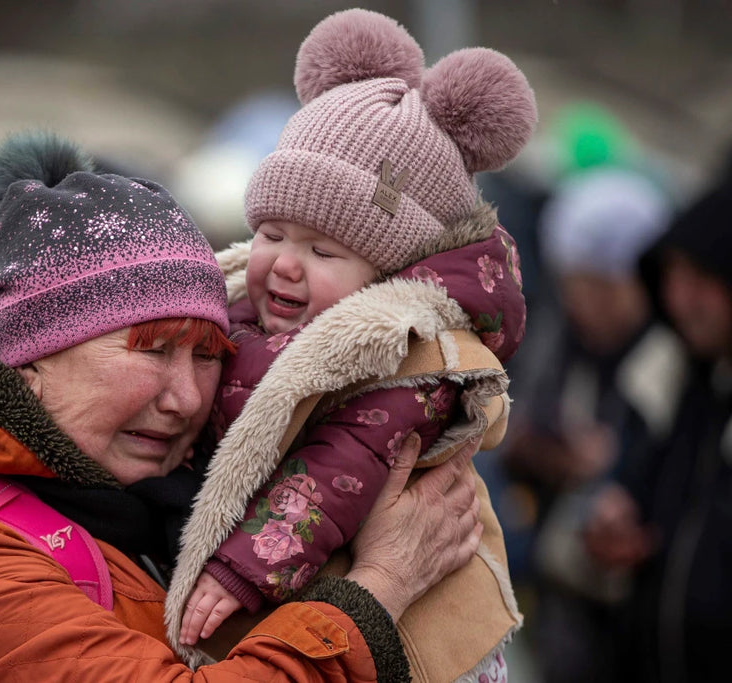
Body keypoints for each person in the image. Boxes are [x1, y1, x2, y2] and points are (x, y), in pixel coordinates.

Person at [0, 129, 484, 681]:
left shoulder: (153, 512)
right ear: (30, 362)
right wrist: (380, 587)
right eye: (152, 350)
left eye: (207, 354)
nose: (186, 397)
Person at [168, 9, 536, 681]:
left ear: (388, 272)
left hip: (422, 637)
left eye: (322, 249)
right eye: (272, 233)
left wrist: (243, 570)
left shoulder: (406, 352)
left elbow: (343, 465)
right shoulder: (247, 313)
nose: (282, 263)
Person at [500, 165, 679, 682]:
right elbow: (504, 428)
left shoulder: (671, 358)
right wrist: (555, 458)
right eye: (575, 285)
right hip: (558, 583)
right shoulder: (557, 339)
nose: (587, 304)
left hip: (641, 599)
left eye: (603, 287)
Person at [583, 171, 732, 683]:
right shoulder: (670, 380)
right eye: (674, 276)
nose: (683, 299)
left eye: (703, 279)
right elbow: (630, 488)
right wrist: (612, 517)